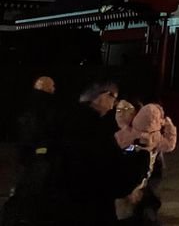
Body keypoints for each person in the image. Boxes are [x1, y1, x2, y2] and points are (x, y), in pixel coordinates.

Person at [54, 80, 151, 226]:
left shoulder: (67, 119)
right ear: (102, 96)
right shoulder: (95, 130)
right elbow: (113, 178)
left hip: (62, 205)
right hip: (90, 207)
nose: (115, 104)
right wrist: (142, 158)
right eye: (114, 98)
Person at [1, 76, 60, 226]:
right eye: (52, 86)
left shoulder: (29, 105)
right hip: (38, 155)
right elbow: (40, 132)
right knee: (31, 189)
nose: (54, 89)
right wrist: (42, 151)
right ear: (45, 87)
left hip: (30, 154)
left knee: (27, 188)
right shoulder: (43, 108)